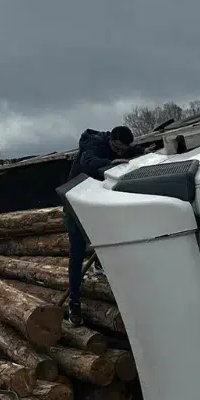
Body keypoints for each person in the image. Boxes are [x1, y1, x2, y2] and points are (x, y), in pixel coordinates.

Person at [64, 126, 144, 325]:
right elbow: (88, 162)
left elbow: (138, 152)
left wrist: (146, 153)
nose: (119, 153)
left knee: (109, 235)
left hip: (96, 200)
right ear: (111, 139)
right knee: (77, 251)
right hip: (75, 199)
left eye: (122, 150)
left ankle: (102, 266)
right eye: (116, 148)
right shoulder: (94, 144)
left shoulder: (122, 148)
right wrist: (109, 163)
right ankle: (74, 303)